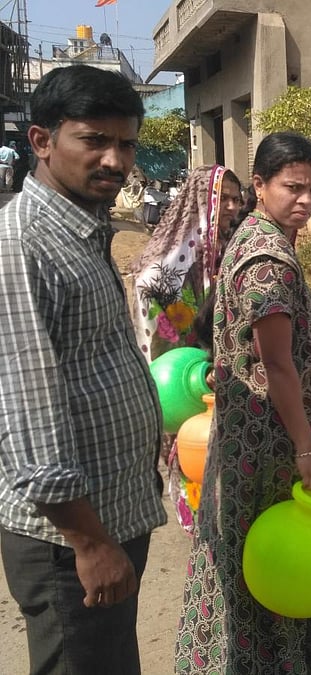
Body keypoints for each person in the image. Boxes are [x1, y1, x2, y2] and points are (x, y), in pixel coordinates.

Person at [0, 65, 166, 674]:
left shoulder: (83, 227)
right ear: (42, 141)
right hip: (69, 540)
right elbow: (28, 407)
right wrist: (90, 543)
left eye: (125, 143)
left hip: (112, 513)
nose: (115, 160)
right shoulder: (21, 245)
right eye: (94, 140)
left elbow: (94, 358)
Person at [175, 132, 311, 673]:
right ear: (259, 184)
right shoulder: (269, 259)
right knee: (277, 553)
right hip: (270, 441)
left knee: (238, 549)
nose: (308, 200)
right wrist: (305, 448)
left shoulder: (253, 232)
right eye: (293, 187)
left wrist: (310, 299)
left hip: (245, 430)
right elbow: (276, 365)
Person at [131, 164, 244, 533]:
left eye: (235, 198)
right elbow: (148, 283)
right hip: (186, 366)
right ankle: (198, 521)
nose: (231, 206)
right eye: (222, 198)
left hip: (214, 360)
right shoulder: (182, 247)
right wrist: (190, 327)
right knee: (191, 437)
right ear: (201, 200)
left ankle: (219, 515)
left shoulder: (225, 241)